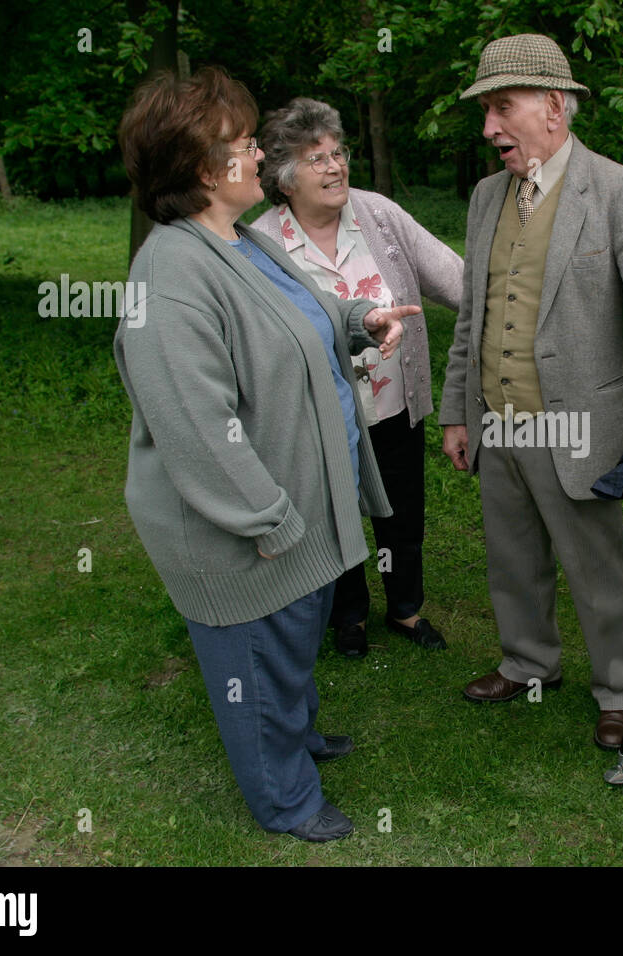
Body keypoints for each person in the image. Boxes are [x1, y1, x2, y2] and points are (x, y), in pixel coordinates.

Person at [114, 67, 420, 843]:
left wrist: (357, 321)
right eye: (244, 144)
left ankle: (297, 738)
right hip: (251, 528)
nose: (258, 155)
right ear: (199, 167)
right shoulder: (170, 271)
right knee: (256, 657)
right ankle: (284, 798)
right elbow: (192, 421)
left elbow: (299, 321)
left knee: (291, 648)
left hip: (298, 511)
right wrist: (270, 520)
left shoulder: (242, 242)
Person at [439, 34, 623, 750]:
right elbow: (474, 314)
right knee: (512, 556)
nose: (490, 127)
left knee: (599, 571)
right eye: (486, 110)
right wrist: (456, 413)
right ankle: (528, 663)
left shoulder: (619, 191)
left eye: (503, 107)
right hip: (497, 422)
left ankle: (621, 689)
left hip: (581, 426)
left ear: (554, 107)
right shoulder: (484, 196)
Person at [252, 98, 463, 659]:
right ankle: (347, 616)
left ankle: (405, 609)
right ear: (283, 178)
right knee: (334, 514)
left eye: (337, 152)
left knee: (401, 510)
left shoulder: (379, 216)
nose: (335, 166)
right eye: (316, 158)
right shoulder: (260, 243)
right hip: (321, 414)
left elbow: (453, 278)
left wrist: (509, 313)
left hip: (395, 404)